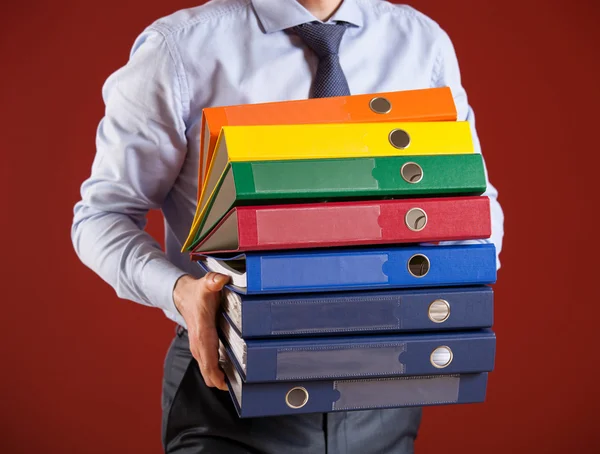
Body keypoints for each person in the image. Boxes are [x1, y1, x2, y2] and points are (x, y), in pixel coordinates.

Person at [71, 0, 504, 452]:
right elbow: (103, 215)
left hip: (385, 388)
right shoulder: (178, 50)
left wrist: (452, 291)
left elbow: (471, 200)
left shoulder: (421, 42)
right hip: (230, 387)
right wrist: (181, 292)